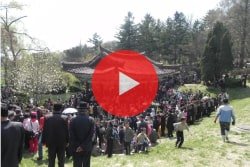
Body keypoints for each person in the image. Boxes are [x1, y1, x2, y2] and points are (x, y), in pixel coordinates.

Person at [69, 102, 95, 167]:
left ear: (79, 110)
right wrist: (83, 146)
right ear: (86, 110)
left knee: (77, 164)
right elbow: (91, 135)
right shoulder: (91, 120)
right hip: (87, 146)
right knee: (86, 164)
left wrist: (79, 146)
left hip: (76, 146)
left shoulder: (73, 120)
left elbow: (72, 135)